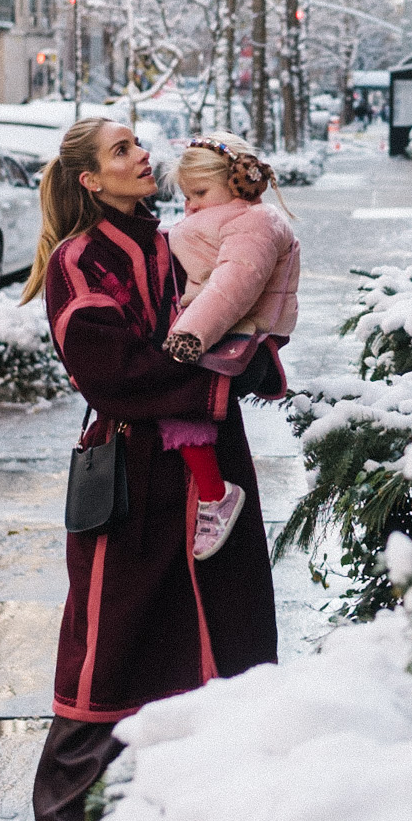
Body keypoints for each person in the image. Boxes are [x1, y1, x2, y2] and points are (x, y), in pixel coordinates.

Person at [20, 118, 278, 821]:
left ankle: (216, 803)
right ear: (90, 181)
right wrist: (225, 377)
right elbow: (114, 373)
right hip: (131, 473)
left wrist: (254, 354)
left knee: (228, 630)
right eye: (122, 150)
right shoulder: (79, 261)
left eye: (139, 144)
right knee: (111, 640)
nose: (143, 157)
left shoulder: (176, 241)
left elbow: (236, 310)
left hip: (211, 467)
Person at [157, 136, 300, 563]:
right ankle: (212, 492)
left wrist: (189, 335)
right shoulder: (232, 219)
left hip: (227, 334)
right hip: (218, 332)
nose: (193, 205)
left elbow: (232, 286)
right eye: (187, 197)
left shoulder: (252, 223)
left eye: (200, 193)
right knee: (179, 408)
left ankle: (215, 495)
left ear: (238, 184)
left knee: (178, 403)